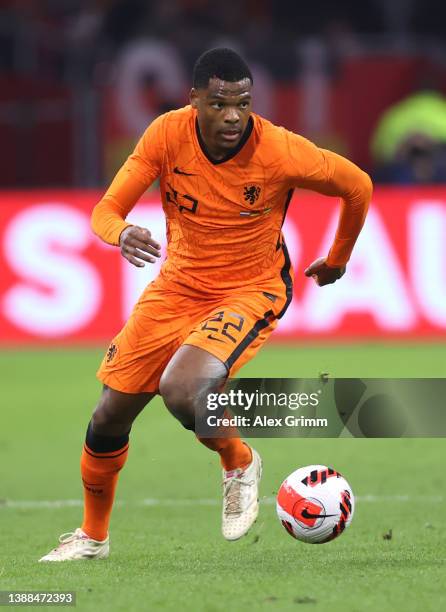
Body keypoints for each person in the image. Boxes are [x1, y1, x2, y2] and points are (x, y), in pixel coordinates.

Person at [39, 47, 372, 561]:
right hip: (177, 286)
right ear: (194, 99)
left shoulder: (280, 150)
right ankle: (93, 538)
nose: (233, 116)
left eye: (243, 102)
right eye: (219, 103)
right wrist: (121, 232)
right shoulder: (166, 134)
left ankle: (239, 461)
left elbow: (357, 186)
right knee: (108, 416)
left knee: (182, 388)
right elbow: (106, 209)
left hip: (250, 288)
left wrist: (338, 258)